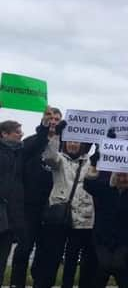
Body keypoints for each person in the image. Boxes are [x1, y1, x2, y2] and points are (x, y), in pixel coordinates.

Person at [37, 120, 97, 288]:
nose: (72, 144)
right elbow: (49, 156)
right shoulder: (59, 160)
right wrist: (56, 135)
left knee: (72, 258)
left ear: (82, 144)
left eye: (76, 142)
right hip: (59, 215)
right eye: (70, 141)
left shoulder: (90, 162)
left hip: (82, 217)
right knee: (53, 256)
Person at [84, 149, 128, 288]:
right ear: (114, 176)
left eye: (125, 176)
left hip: (124, 238)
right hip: (102, 237)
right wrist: (93, 164)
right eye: (119, 175)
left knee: (118, 265)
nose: (122, 179)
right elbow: (88, 185)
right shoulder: (105, 188)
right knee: (104, 265)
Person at [10, 106, 60, 288]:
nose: (53, 121)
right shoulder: (31, 142)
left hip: (53, 208)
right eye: (50, 118)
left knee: (45, 253)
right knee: (23, 249)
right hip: (29, 206)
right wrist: (43, 128)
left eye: (56, 119)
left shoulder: (65, 145)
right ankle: (17, 284)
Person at [0, 118, 49, 283]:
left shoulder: (21, 152)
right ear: (4, 134)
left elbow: (39, 142)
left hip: (11, 216)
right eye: (17, 131)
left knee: (2, 260)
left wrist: (44, 126)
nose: (21, 134)